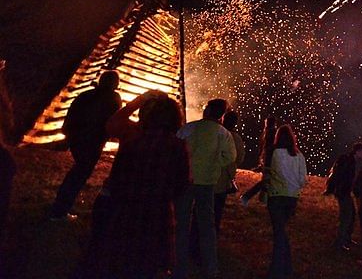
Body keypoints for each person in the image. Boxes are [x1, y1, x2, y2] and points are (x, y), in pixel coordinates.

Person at [94, 91, 190, 278]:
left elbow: (112, 124)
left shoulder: (133, 134)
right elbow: (182, 184)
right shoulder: (177, 146)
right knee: (146, 264)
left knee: (112, 258)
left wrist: (139, 100)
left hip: (121, 206)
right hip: (155, 213)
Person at [174, 99, 237, 279]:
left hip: (185, 181)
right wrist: (215, 164)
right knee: (207, 226)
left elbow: (176, 147)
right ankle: (211, 268)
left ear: (208, 110)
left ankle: (179, 266)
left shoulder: (189, 128)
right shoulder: (223, 133)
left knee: (181, 224)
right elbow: (231, 157)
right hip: (207, 183)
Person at [51, 70, 122, 220]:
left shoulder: (85, 95)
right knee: (79, 175)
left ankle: (60, 205)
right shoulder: (113, 98)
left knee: (77, 172)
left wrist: (69, 135)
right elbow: (113, 122)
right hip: (93, 142)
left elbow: (71, 115)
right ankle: (59, 210)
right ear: (115, 83)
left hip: (77, 140)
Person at [266, 124, 307, 278]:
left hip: (277, 196)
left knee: (279, 233)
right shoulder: (299, 155)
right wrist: (295, 186)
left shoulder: (275, 153)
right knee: (281, 231)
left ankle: (279, 270)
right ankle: (285, 268)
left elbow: (274, 173)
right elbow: (303, 180)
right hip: (292, 198)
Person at [324, 142, 362, 251]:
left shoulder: (350, 160)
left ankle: (346, 239)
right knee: (346, 217)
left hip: (344, 192)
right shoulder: (350, 161)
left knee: (351, 215)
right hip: (343, 192)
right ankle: (340, 242)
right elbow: (344, 177)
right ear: (358, 151)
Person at [212, 110, 245, 235]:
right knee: (218, 209)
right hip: (223, 180)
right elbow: (240, 157)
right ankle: (213, 232)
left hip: (207, 176)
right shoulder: (236, 138)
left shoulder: (214, 132)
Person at [240, 116, 276, 206]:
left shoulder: (267, 133)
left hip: (267, 160)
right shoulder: (272, 133)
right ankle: (247, 196)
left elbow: (264, 149)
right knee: (266, 182)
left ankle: (263, 199)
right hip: (270, 161)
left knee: (267, 182)